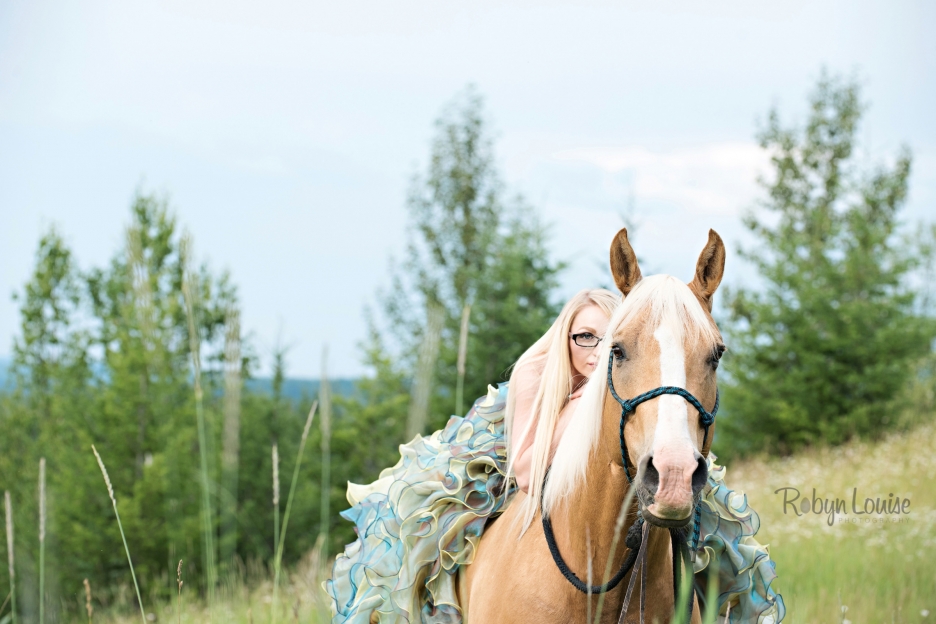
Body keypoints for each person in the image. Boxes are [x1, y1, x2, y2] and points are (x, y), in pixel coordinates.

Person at [326, 289, 785, 623]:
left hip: (608, 463)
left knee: (718, 526)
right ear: (565, 335)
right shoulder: (535, 373)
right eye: (585, 337)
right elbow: (526, 470)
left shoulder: (618, 383)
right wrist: (582, 407)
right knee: (441, 530)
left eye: (606, 341)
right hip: (513, 460)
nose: (594, 350)